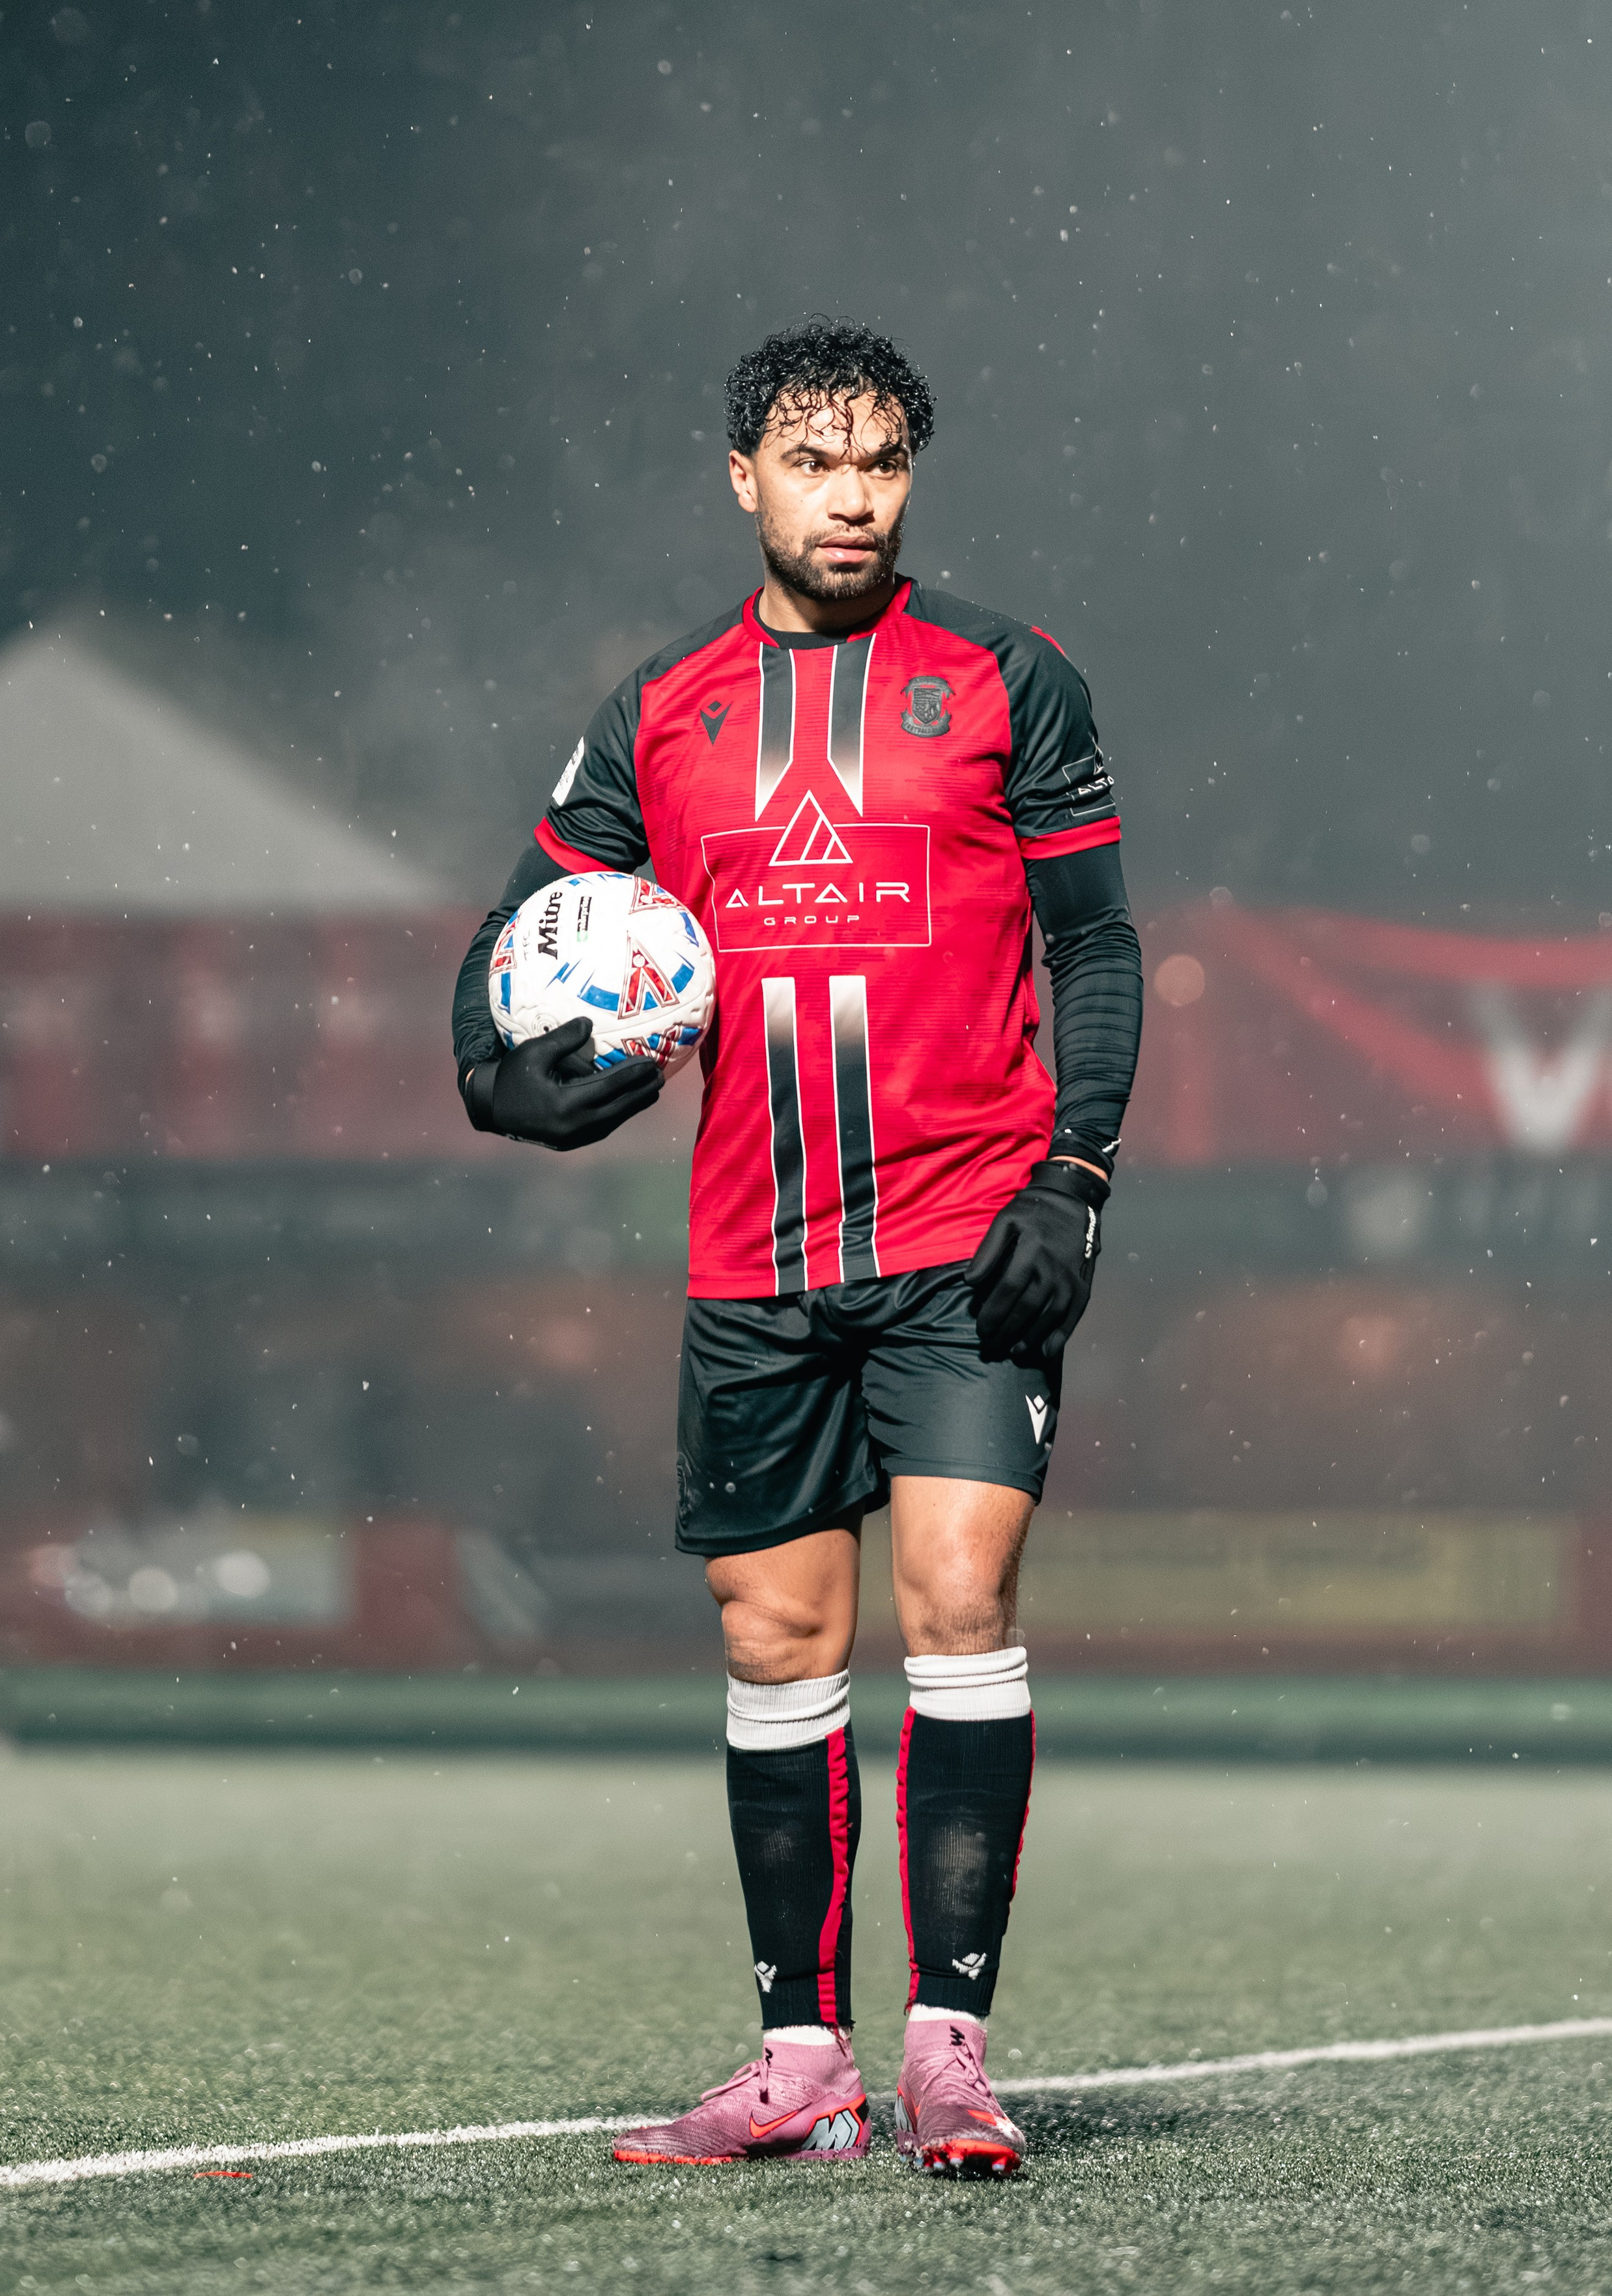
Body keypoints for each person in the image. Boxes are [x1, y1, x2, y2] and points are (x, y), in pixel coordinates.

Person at [450, 317, 1142, 2175]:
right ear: (744, 479)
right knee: (775, 1636)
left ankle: (946, 2049)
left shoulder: (1009, 677)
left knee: (961, 1602)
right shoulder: (657, 713)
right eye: (816, 464)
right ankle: (800, 2060)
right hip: (755, 1255)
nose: (853, 499)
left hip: (959, 1242)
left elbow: (1095, 947)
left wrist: (1071, 1177)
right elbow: (520, 933)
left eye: (883, 464)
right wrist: (502, 1078)